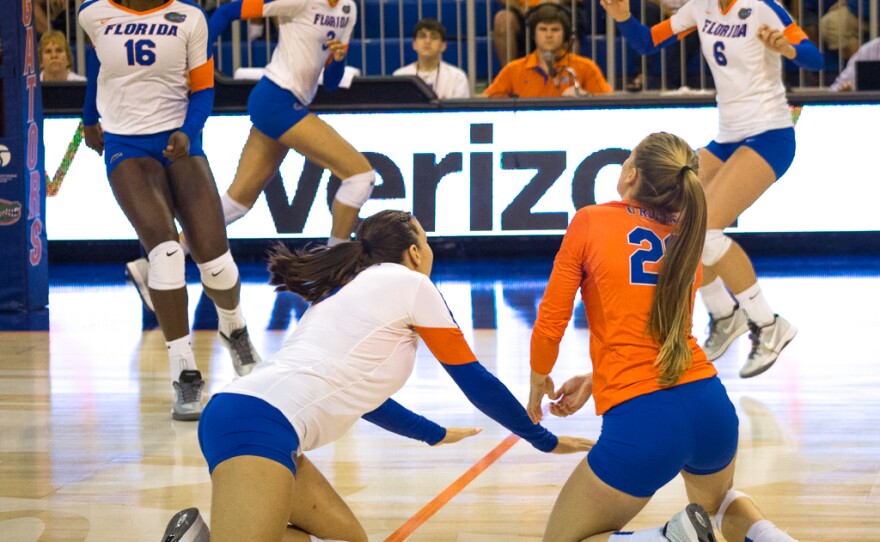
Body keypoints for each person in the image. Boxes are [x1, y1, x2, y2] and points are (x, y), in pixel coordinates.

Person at [160, 210, 593, 541]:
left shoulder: (346, 290)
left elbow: (362, 395)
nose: (429, 247)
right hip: (259, 423)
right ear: (414, 252)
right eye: (426, 238)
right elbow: (474, 379)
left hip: (252, 418)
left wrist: (431, 433)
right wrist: (542, 440)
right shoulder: (412, 285)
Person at [528, 132, 801, 542]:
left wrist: (536, 382)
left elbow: (551, 319)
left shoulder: (590, 220)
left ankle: (667, 538)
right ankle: (772, 538)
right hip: (709, 405)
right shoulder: (685, 235)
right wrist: (595, 377)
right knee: (720, 504)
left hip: (644, 420)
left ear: (631, 175)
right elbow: (661, 332)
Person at [602, 0, 823, 377]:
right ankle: (724, 314)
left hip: (770, 134)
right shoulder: (700, 8)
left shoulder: (761, 7)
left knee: (705, 230)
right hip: (728, 137)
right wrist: (624, 18)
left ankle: (769, 325)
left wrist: (787, 49)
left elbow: (815, 58)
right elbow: (647, 44)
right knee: (672, 221)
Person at [124, 0, 375, 309]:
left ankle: (154, 265)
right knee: (361, 175)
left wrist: (338, 58)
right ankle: (334, 276)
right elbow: (228, 12)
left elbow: (333, 83)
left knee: (237, 202)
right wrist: (196, 65)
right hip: (276, 99)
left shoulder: (348, 9)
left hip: (285, 102)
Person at [78, 0, 261, 421]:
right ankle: (185, 372)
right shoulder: (93, 13)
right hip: (125, 145)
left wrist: (188, 132)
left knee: (216, 263)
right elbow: (98, 68)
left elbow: (203, 88)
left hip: (181, 142)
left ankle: (234, 327)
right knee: (165, 253)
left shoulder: (190, 16)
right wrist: (90, 117)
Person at [484, 3, 612, 97]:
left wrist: (587, 96)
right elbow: (486, 100)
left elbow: (609, 103)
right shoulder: (513, 69)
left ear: (565, 35)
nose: (549, 35)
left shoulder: (585, 67)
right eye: (543, 29)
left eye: (555, 29)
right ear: (534, 34)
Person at [392, 18, 471, 99]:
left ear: (443, 46)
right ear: (414, 44)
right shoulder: (400, 76)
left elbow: (459, 110)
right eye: (422, 36)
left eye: (434, 37)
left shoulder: (457, 77)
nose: (427, 41)